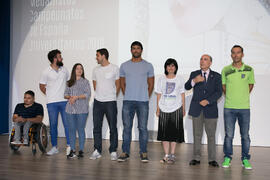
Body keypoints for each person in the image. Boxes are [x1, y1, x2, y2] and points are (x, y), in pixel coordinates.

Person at [117, 41, 154, 162]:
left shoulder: (148, 65)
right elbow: (122, 82)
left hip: (142, 101)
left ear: (141, 50)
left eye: (138, 48)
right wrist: (126, 94)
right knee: (127, 127)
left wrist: (145, 96)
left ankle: (143, 152)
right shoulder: (124, 65)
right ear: (131, 50)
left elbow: (151, 84)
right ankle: (125, 152)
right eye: (133, 48)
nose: (136, 50)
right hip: (128, 101)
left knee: (142, 128)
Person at [185, 54, 222, 167]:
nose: (202, 61)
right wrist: (194, 81)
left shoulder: (216, 76)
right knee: (197, 134)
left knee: (211, 135)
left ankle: (212, 159)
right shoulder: (194, 74)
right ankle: (196, 157)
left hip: (210, 109)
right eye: (201, 59)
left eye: (205, 59)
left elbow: (219, 92)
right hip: (197, 109)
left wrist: (208, 101)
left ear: (210, 62)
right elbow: (186, 87)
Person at [221, 45, 255, 170]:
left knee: (245, 135)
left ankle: (245, 158)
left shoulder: (249, 69)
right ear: (231, 55)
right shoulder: (225, 70)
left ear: (242, 54)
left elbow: (250, 85)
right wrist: (231, 96)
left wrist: (242, 96)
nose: (236, 55)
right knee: (229, 135)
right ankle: (227, 157)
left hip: (244, 108)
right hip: (229, 107)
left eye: (238, 53)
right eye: (233, 53)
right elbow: (224, 87)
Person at [90, 48, 120, 161]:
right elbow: (95, 85)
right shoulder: (95, 70)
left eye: (97, 55)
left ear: (103, 56)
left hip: (110, 102)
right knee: (97, 127)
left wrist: (112, 96)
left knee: (113, 127)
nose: (96, 57)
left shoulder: (114, 68)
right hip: (98, 102)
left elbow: (118, 84)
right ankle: (97, 150)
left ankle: (113, 150)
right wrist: (100, 95)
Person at [39, 49, 70, 156]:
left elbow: (69, 83)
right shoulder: (46, 71)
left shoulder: (64, 70)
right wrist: (50, 95)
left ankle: (69, 147)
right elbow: (42, 86)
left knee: (67, 124)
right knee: (53, 125)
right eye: (60, 56)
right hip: (51, 102)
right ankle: (54, 147)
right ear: (54, 59)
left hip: (64, 102)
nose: (62, 58)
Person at [155, 58, 185, 164]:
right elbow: (159, 94)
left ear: (175, 67)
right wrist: (158, 109)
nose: (170, 68)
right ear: (165, 67)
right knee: (164, 134)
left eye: (173, 66)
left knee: (174, 134)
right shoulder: (161, 79)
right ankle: (166, 155)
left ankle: (172, 154)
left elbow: (182, 94)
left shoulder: (180, 79)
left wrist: (183, 108)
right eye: (168, 66)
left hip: (176, 108)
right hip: (163, 108)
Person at [64, 63, 91, 158]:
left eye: (81, 69)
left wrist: (76, 97)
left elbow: (87, 94)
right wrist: (70, 97)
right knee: (71, 130)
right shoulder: (69, 82)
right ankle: (72, 150)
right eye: (77, 68)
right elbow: (65, 94)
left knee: (80, 129)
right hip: (70, 109)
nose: (79, 70)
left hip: (82, 110)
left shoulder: (85, 82)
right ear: (74, 70)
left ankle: (81, 150)